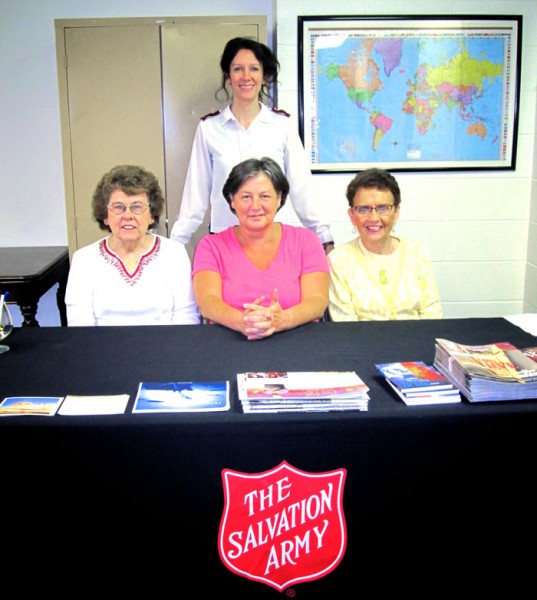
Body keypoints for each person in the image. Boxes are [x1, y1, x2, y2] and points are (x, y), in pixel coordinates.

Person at [170, 37, 334, 253]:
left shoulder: (282, 125)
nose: (246, 77)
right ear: (227, 76)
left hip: (274, 239)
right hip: (226, 241)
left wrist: (323, 236)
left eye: (254, 69)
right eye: (238, 69)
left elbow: (301, 187)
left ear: (264, 76)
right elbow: (195, 196)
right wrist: (173, 246)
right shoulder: (209, 128)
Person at [192, 157, 329, 340]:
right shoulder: (211, 246)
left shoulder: (307, 241)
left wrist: (281, 320)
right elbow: (207, 303)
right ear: (232, 200)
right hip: (228, 343)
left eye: (264, 196)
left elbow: (317, 301)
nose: (255, 206)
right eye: (246, 197)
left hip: (298, 342)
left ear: (279, 198)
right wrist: (243, 321)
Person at [65, 165, 200, 326]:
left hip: (164, 347)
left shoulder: (174, 253)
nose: (127, 216)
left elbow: (186, 315)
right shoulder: (84, 259)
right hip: (102, 348)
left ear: (152, 215)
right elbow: (79, 324)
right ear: (105, 216)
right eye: (118, 207)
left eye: (136, 207)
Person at [328, 168, 443, 321]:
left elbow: (432, 314)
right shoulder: (339, 260)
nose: (374, 218)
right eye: (364, 209)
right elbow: (346, 326)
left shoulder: (416, 252)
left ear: (396, 212)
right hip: (363, 343)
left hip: (417, 342)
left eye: (383, 208)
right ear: (352, 215)